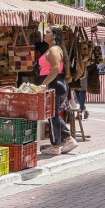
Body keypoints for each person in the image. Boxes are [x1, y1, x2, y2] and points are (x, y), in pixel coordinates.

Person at [39, 26, 77, 156]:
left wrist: (44, 84)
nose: (45, 34)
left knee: (52, 114)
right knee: (52, 114)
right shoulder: (52, 49)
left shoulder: (54, 50)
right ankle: (63, 141)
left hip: (54, 84)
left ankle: (59, 143)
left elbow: (55, 69)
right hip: (55, 84)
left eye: (48, 32)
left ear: (54, 35)